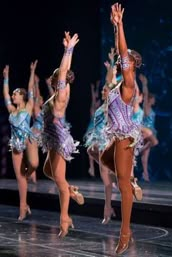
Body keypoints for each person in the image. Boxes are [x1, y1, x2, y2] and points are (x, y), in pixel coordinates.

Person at [100, 3, 143, 254]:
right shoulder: (118, 83)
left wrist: (121, 25)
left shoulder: (129, 82)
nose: (121, 61)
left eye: (125, 61)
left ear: (132, 65)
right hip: (116, 138)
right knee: (103, 158)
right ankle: (132, 180)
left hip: (125, 138)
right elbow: (120, 53)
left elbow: (123, 54)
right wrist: (115, 27)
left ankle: (124, 233)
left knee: (122, 186)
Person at [41, 32, 84, 238]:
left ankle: (65, 218)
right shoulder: (53, 96)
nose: (54, 77)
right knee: (47, 170)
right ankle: (71, 189)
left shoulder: (61, 94)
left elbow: (64, 70)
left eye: (57, 76)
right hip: (51, 140)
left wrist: (68, 49)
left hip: (58, 141)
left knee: (59, 181)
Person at [2, 61, 39, 220]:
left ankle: (30, 173)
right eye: (13, 94)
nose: (12, 95)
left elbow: (30, 88)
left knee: (34, 164)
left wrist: (32, 71)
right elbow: (5, 94)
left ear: (22, 96)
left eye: (15, 94)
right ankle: (23, 207)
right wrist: (6, 78)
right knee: (20, 179)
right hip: (16, 145)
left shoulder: (29, 106)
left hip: (28, 142)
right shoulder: (11, 110)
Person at [138, 74, 159, 182]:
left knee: (145, 157)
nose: (155, 100)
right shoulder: (146, 106)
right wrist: (144, 83)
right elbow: (145, 94)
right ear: (150, 99)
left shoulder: (151, 108)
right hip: (146, 131)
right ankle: (140, 149)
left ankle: (145, 174)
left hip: (150, 131)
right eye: (153, 99)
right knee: (155, 142)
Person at [84, 80, 101, 177]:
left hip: (97, 132)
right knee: (90, 148)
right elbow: (94, 99)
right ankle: (91, 167)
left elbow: (97, 98)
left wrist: (97, 87)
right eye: (97, 103)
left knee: (95, 150)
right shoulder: (93, 111)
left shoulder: (100, 112)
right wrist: (93, 89)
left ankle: (95, 166)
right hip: (91, 132)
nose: (98, 103)